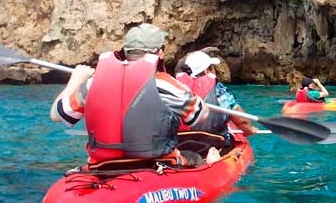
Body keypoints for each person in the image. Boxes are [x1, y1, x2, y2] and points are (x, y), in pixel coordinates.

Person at [50, 23, 230, 167]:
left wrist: (75, 80)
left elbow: (57, 115)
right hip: (157, 163)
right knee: (195, 156)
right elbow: (199, 115)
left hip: (104, 165)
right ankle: (211, 163)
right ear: (159, 52)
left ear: (125, 51)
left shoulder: (93, 83)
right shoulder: (164, 83)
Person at [174, 49, 257, 144]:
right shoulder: (219, 90)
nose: (214, 70)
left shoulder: (175, 87)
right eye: (212, 67)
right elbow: (241, 119)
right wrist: (249, 129)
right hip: (215, 143)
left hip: (181, 143)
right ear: (206, 71)